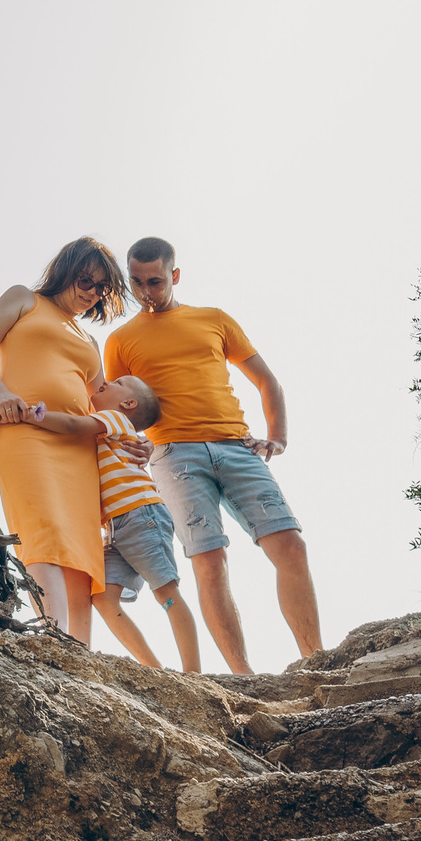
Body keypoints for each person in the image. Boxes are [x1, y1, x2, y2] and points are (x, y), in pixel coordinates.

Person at [102, 236, 322, 673]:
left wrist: (276, 438)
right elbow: (118, 406)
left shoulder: (214, 319)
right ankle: (244, 678)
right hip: (173, 456)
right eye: (136, 282)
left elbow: (266, 380)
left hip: (236, 446)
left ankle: (318, 662)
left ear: (175, 276)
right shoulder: (120, 340)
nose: (146, 291)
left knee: (291, 547)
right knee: (209, 562)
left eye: (155, 281)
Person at [0, 237, 127, 644]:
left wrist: (125, 439)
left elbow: (99, 400)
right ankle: (54, 638)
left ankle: (79, 654)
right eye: (85, 281)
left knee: (82, 547)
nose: (91, 294)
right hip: (21, 429)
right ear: (65, 271)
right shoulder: (24, 300)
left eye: (101, 288)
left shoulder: (89, 341)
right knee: (42, 530)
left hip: (78, 448)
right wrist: (1, 393)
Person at [18, 375, 203, 671]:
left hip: (141, 515)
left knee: (167, 593)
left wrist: (32, 414)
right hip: (117, 527)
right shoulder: (111, 427)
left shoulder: (114, 419)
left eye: (118, 382)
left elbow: (72, 426)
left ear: (127, 403)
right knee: (103, 599)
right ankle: (155, 670)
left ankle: (194, 674)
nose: (106, 381)